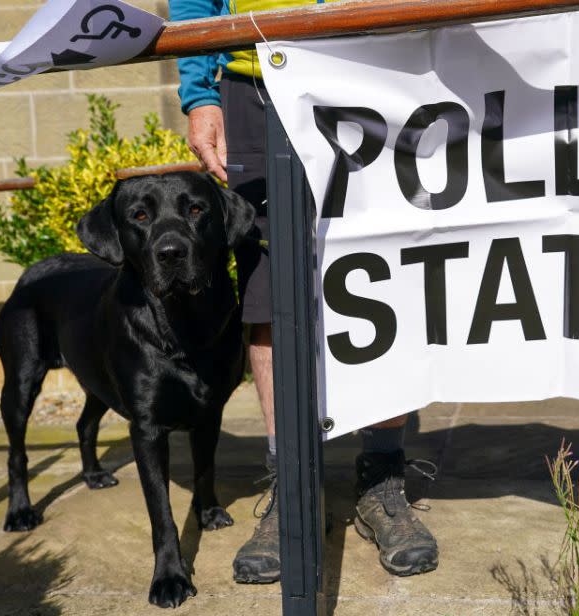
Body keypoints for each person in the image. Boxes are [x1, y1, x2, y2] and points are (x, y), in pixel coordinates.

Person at [168, 0, 439, 582]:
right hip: (258, 79)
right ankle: (292, 486)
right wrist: (201, 93)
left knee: (383, 274)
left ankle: (382, 479)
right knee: (270, 291)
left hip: (376, 71)